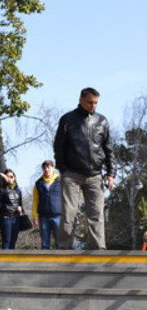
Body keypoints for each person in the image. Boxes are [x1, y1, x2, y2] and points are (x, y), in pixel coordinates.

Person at [54, 87, 115, 250]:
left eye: (96, 103)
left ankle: (98, 249)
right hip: (71, 174)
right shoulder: (67, 119)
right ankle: (64, 247)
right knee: (69, 213)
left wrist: (110, 173)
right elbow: (58, 146)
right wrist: (63, 168)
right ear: (81, 99)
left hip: (95, 175)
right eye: (90, 102)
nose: (93, 106)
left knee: (97, 213)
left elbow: (108, 148)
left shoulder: (102, 121)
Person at [32, 160, 61, 249]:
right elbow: (35, 200)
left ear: (53, 168)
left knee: (60, 242)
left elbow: (66, 199)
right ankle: (44, 263)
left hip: (58, 216)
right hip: (43, 217)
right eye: (45, 167)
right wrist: (34, 216)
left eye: (49, 167)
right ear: (42, 169)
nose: (47, 169)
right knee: (45, 243)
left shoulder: (61, 181)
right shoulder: (38, 183)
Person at [0, 169, 23, 249]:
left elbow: (20, 204)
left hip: (16, 218)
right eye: (7, 176)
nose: (9, 178)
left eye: (11, 176)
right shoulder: (1, 190)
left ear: (14, 177)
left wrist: (20, 208)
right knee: (6, 240)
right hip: (5, 217)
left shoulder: (18, 190)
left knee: (13, 241)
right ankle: (4, 260)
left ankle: (11, 261)